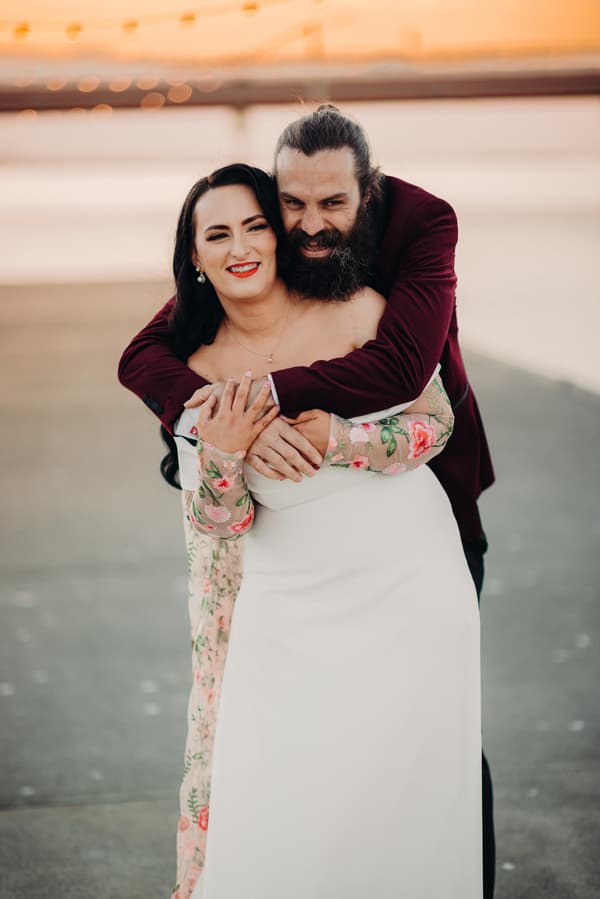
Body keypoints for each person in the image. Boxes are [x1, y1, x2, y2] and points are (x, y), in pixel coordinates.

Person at [118, 105, 495, 897]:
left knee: (425, 773)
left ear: (369, 190)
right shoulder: (192, 370)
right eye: (222, 234)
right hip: (283, 606)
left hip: (412, 576)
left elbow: (422, 406)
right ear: (192, 255)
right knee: (287, 792)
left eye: (258, 225)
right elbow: (212, 513)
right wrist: (229, 436)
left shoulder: (385, 270)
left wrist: (319, 432)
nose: (292, 229)